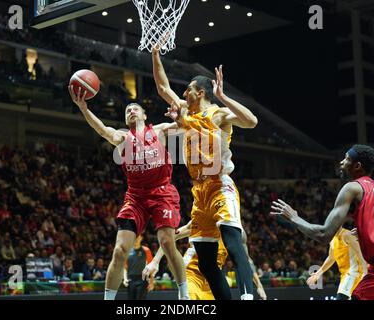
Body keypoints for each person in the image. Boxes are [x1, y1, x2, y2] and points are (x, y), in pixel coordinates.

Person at [152, 44, 258, 300]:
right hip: (199, 192)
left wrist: (223, 95)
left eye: (187, 88)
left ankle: (248, 298)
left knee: (233, 245)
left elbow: (251, 121)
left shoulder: (218, 114)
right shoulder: (185, 113)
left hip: (220, 185)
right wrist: (155, 53)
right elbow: (163, 88)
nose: (183, 92)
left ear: (199, 93)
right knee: (206, 263)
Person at [68, 86, 189, 300]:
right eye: (127, 111)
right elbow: (103, 130)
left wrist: (180, 116)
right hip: (135, 197)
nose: (131, 111)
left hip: (162, 192)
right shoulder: (123, 138)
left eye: (135, 108)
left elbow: (186, 125)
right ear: (126, 121)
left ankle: (184, 295)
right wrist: (84, 108)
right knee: (119, 250)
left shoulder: (159, 130)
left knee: (168, 243)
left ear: (144, 115)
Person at [271, 145, 374, 300]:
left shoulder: (353, 187)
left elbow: (323, 234)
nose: (341, 162)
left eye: (347, 158)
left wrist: (294, 217)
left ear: (357, 166)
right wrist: (368, 230)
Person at [142, 221, 267, 300]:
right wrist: (155, 261)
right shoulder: (203, 219)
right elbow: (171, 237)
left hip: (212, 280)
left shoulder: (238, 233)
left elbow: (245, 262)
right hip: (190, 273)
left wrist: (259, 286)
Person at [306, 227, 367, 300]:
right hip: (345, 275)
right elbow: (331, 258)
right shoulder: (332, 239)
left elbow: (360, 253)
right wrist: (318, 273)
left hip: (355, 274)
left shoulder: (347, 234)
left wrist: (365, 273)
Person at [123, 235, 155, 299]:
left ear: (141, 238)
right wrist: (125, 278)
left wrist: (152, 281)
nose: (136, 239)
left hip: (142, 279)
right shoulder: (127, 251)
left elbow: (151, 266)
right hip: (131, 279)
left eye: (138, 237)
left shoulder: (146, 250)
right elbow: (125, 267)